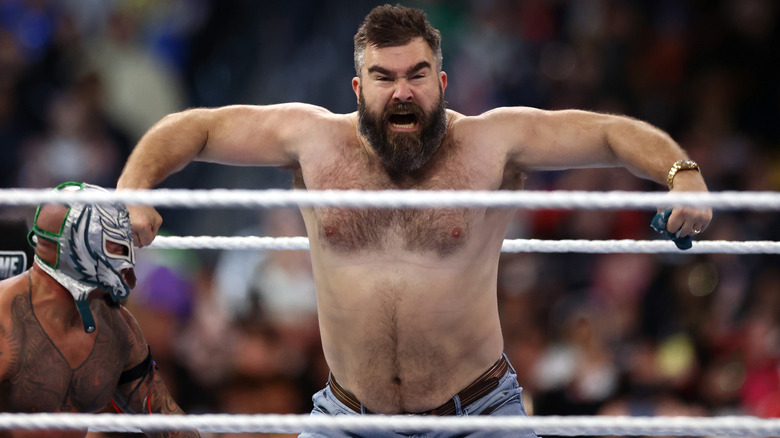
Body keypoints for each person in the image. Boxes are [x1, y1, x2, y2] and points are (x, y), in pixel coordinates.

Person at [117, 4, 712, 437]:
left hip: (479, 413)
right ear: (358, 88)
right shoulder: (311, 140)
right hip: (348, 417)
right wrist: (132, 191)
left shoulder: (491, 142)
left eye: (416, 75)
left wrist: (683, 175)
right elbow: (194, 129)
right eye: (384, 77)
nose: (402, 92)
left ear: (441, 81)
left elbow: (609, 132)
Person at [0, 182, 199, 438]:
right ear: (76, 246)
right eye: (114, 245)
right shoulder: (5, 322)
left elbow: (168, 423)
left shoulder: (116, 328)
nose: (126, 262)